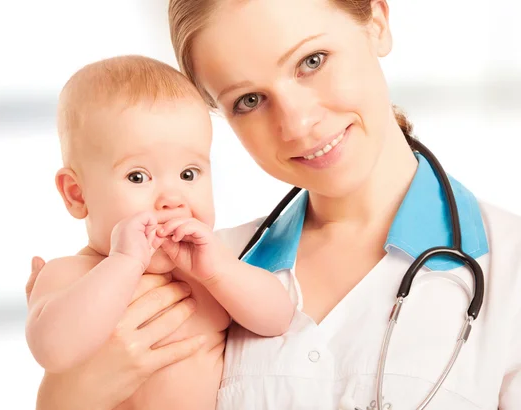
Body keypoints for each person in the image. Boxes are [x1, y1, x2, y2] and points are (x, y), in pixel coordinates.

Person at [28, 0, 521, 408]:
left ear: (376, 20)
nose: (297, 123)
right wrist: (71, 391)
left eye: (312, 61)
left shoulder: (510, 270)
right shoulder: (203, 265)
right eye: (248, 100)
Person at [25, 55, 294, 410]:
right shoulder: (72, 275)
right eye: (138, 176)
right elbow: (53, 350)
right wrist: (123, 262)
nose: (172, 199)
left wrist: (221, 271)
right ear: (77, 194)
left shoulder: (209, 271)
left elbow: (278, 318)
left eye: (188, 174)